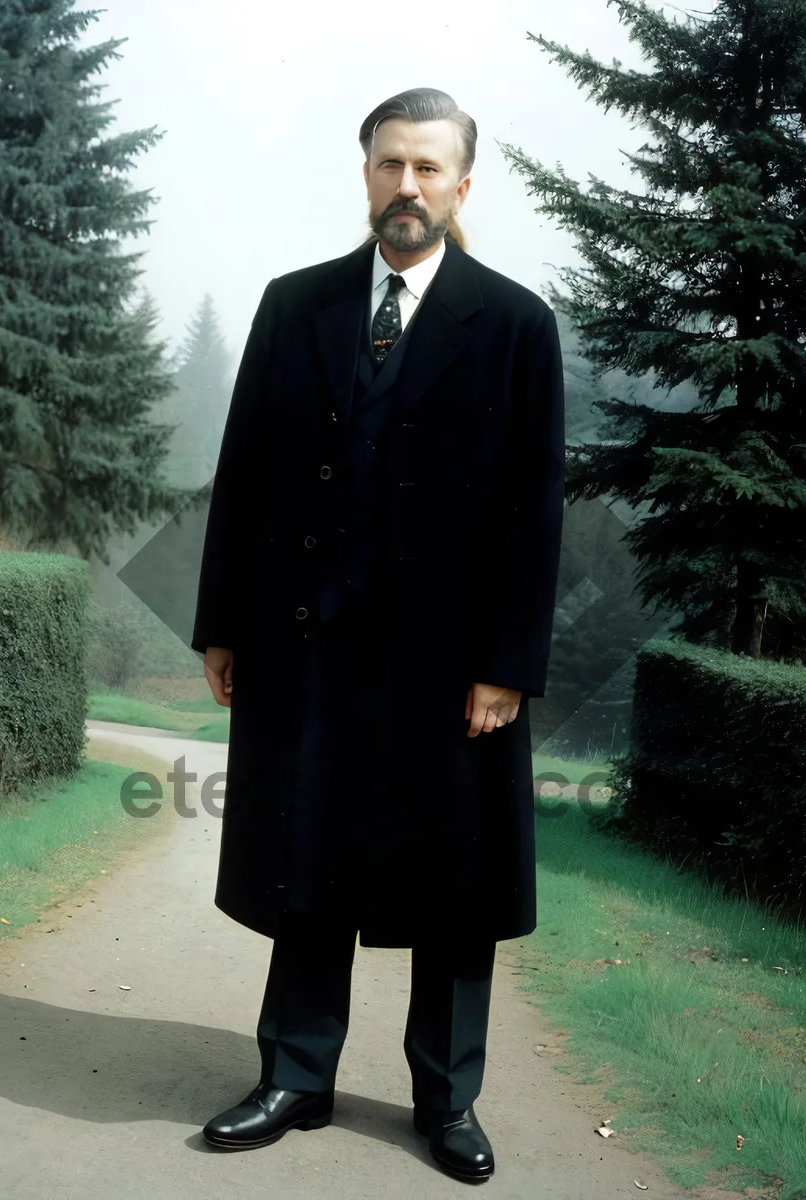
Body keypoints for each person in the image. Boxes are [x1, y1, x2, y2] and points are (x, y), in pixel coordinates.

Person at [191, 86, 565, 1183]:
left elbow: (531, 512)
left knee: (455, 890)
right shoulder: (293, 305)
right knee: (308, 870)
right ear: (366, 174)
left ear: (461, 186)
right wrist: (223, 627)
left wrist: (508, 666)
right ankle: (294, 1078)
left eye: (428, 169)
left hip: (450, 675)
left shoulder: (512, 325)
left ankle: (446, 1103)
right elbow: (245, 479)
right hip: (306, 654)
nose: (407, 187)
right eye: (389, 164)